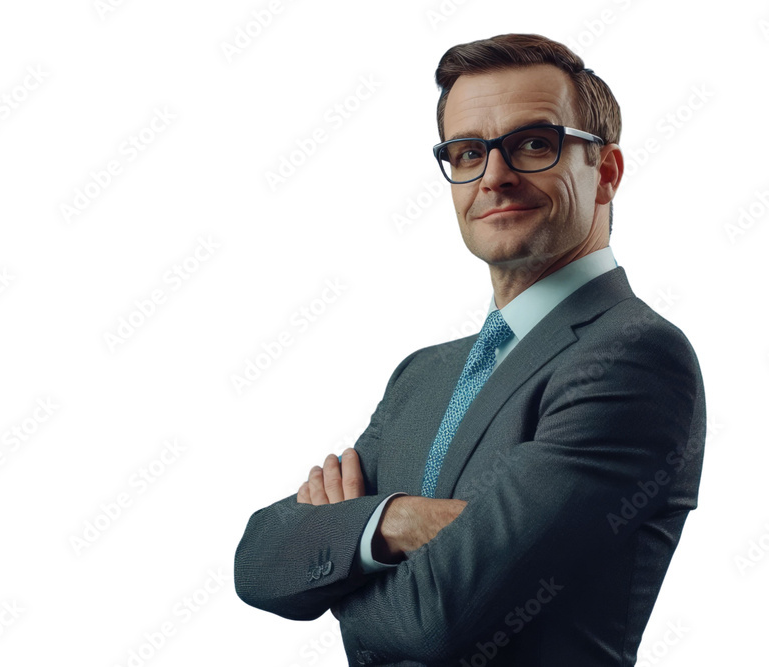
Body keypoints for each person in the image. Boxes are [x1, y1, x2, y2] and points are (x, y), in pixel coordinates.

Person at [235, 33, 705, 666]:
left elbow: (436, 620)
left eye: (533, 144)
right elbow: (258, 562)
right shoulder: (422, 374)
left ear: (606, 173)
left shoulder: (633, 357)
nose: (495, 176)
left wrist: (344, 552)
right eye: (468, 153)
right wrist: (396, 520)